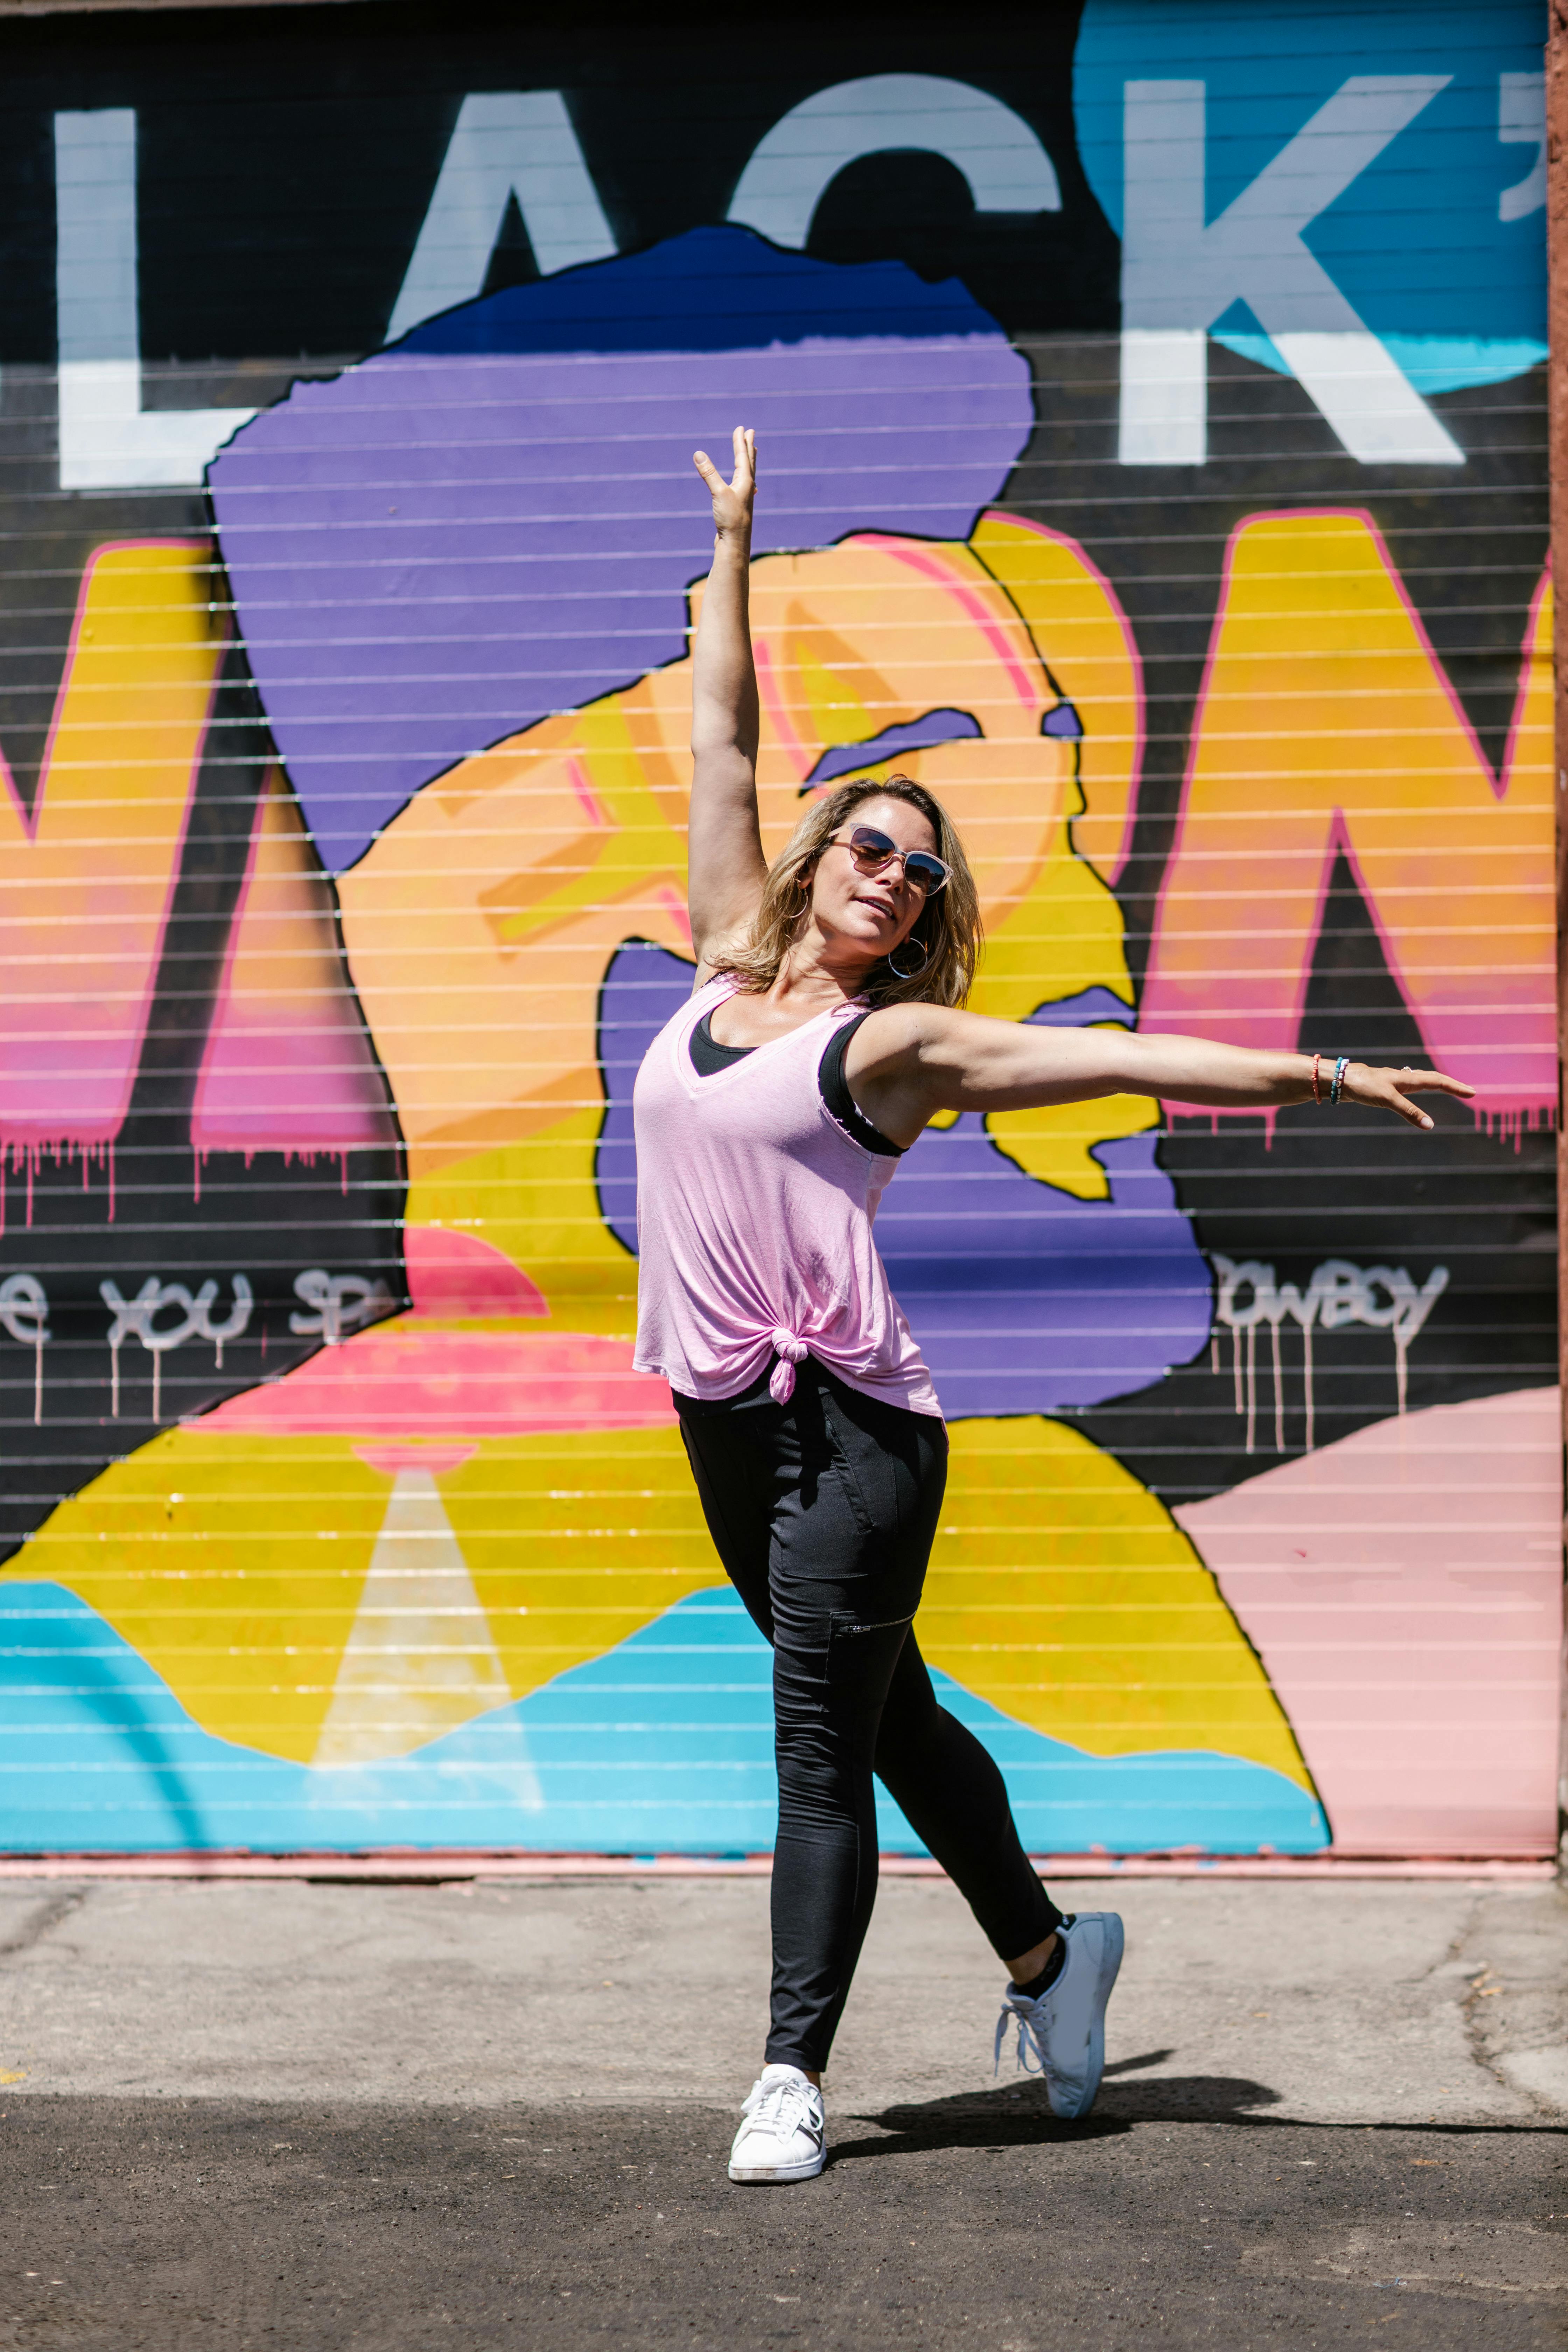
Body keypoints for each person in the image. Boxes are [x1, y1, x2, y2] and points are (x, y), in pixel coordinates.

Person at [631, 428, 1475, 2187]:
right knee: (892, 1718)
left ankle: (788, 2075)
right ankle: (1052, 1955)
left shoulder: (902, 1047)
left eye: (919, 874)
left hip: (856, 1430)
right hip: (718, 1413)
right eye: (870, 842)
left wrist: (1315, 1068)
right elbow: (717, 740)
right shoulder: (723, 950)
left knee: (814, 1739)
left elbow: (1112, 1055)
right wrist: (733, 548)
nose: (887, 874)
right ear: (821, 853)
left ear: (923, 920)